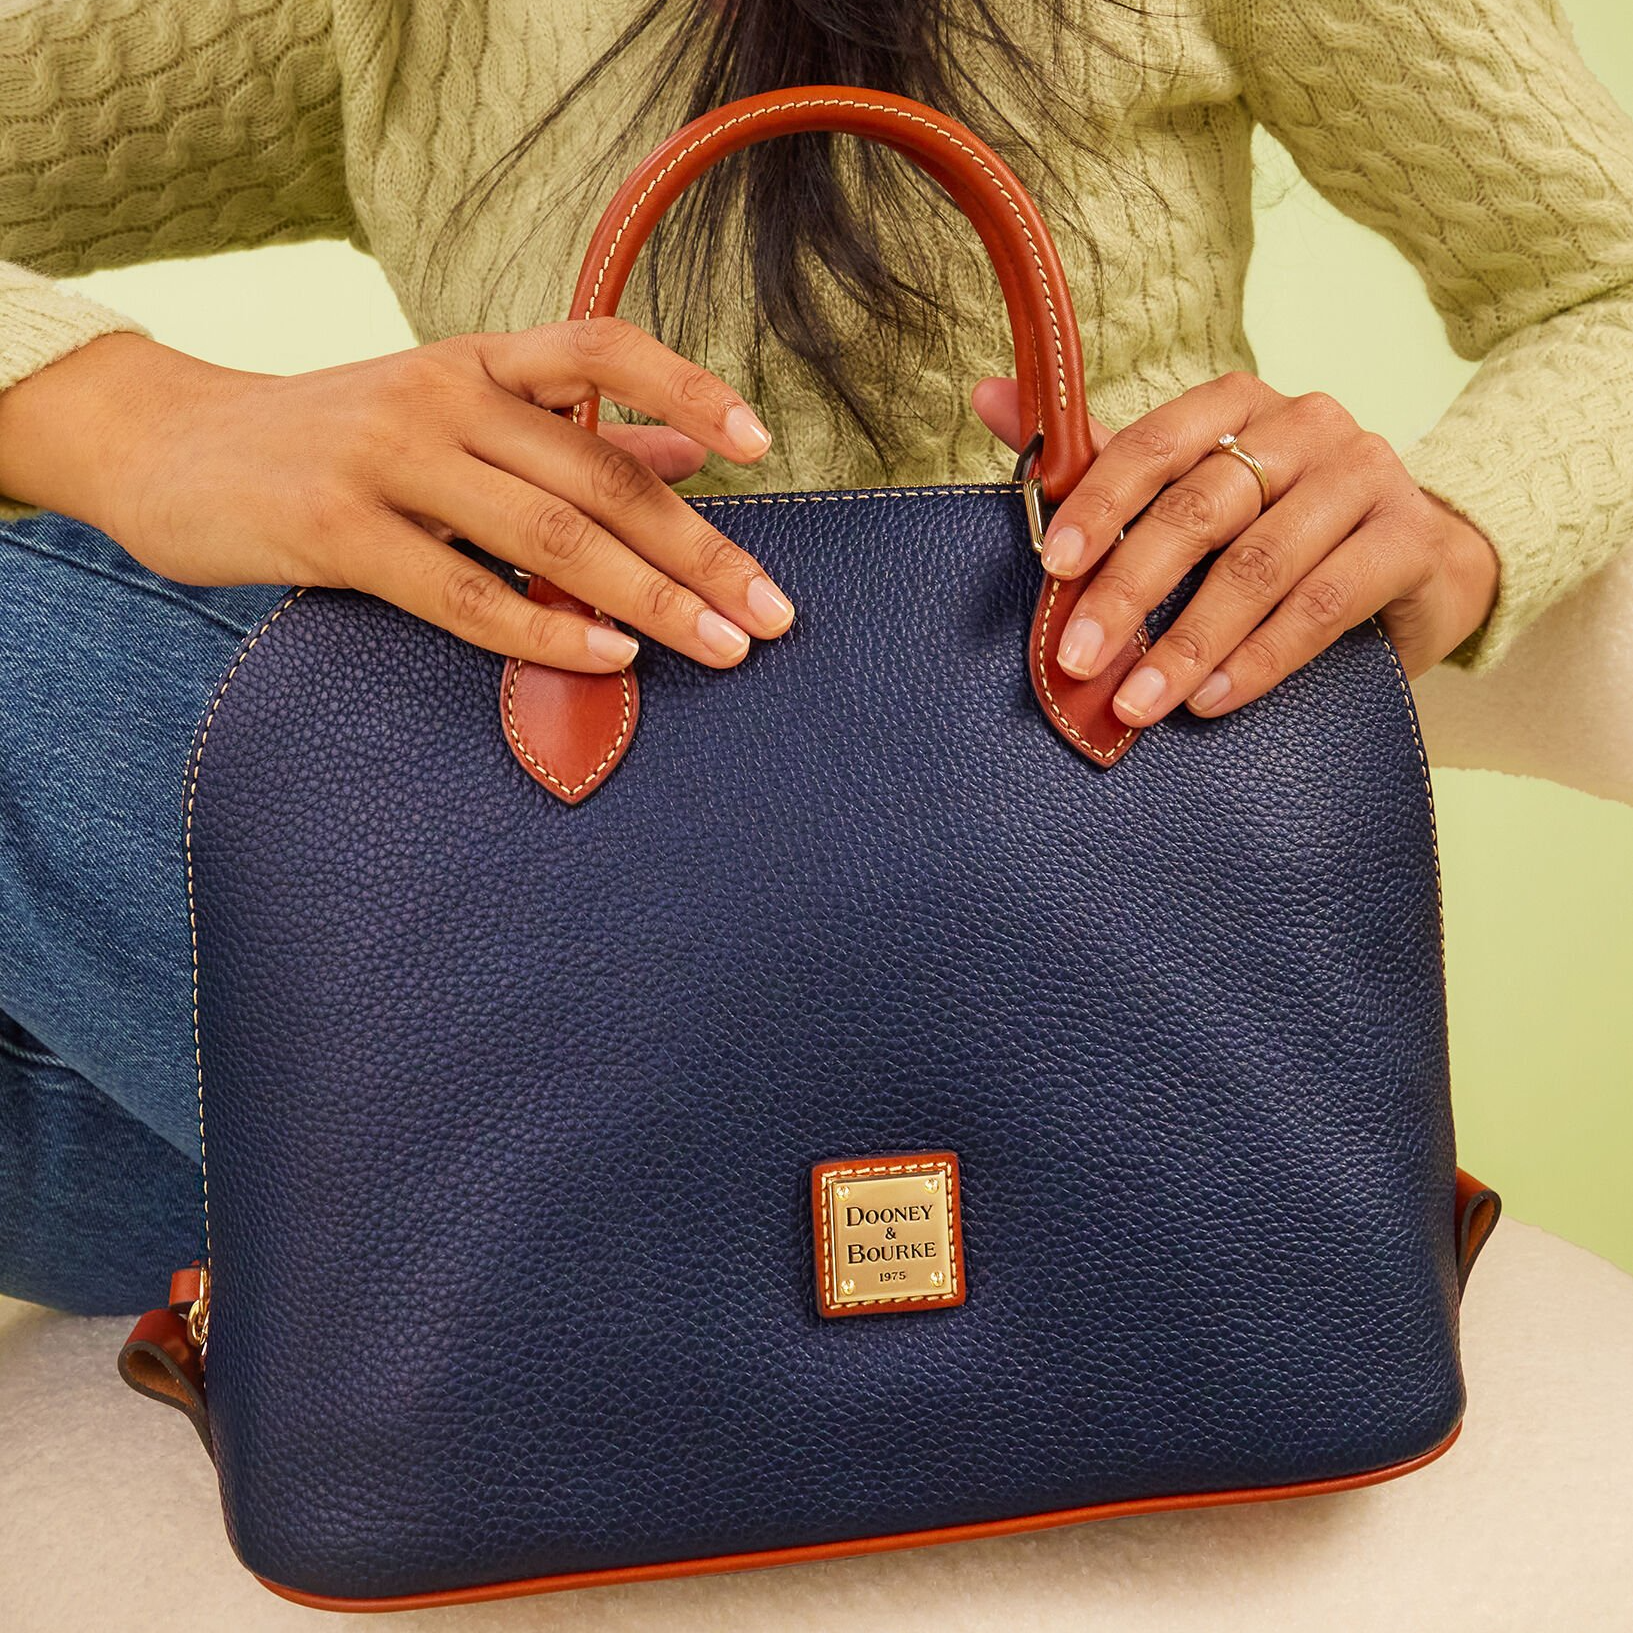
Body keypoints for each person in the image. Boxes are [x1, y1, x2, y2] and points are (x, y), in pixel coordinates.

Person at [1, 0, 1630, 1314]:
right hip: (485, 967)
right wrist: (138, 423)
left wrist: (1455, 526)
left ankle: (587, 1298)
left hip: (1078, 976)